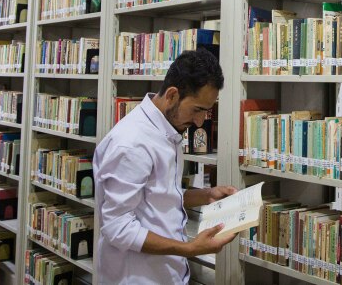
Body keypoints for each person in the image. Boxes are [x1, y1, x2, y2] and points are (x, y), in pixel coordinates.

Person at [94, 49, 237, 284]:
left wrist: (206, 195)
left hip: (166, 273)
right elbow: (117, 228)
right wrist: (188, 248)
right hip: (137, 277)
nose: (200, 121)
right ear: (172, 95)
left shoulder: (167, 130)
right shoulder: (132, 144)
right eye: (198, 110)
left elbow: (157, 197)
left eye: (206, 111)